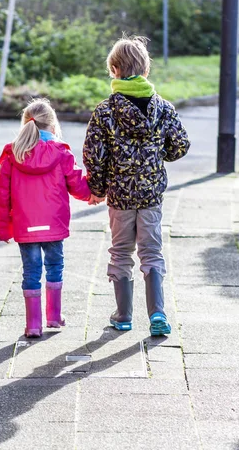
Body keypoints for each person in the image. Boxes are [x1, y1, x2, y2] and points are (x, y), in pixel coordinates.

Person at [83, 36, 190, 336]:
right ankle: (158, 314)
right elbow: (180, 144)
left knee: (120, 252)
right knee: (152, 252)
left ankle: (124, 315)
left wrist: (98, 187)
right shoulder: (163, 109)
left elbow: (94, 154)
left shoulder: (105, 112)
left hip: (120, 196)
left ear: (114, 70)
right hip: (151, 195)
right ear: (145, 70)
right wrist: (160, 155)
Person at [0, 98, 92, 338]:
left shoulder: (12, 154)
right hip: (54, 224)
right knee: (55, 266)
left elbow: (1, 195)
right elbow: (77, 185)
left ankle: (33, 325)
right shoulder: (61, 152)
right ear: (52, 124)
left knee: (31, 272)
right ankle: (54, 317)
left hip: (25, 226)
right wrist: (96, 193)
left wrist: (4, 229)